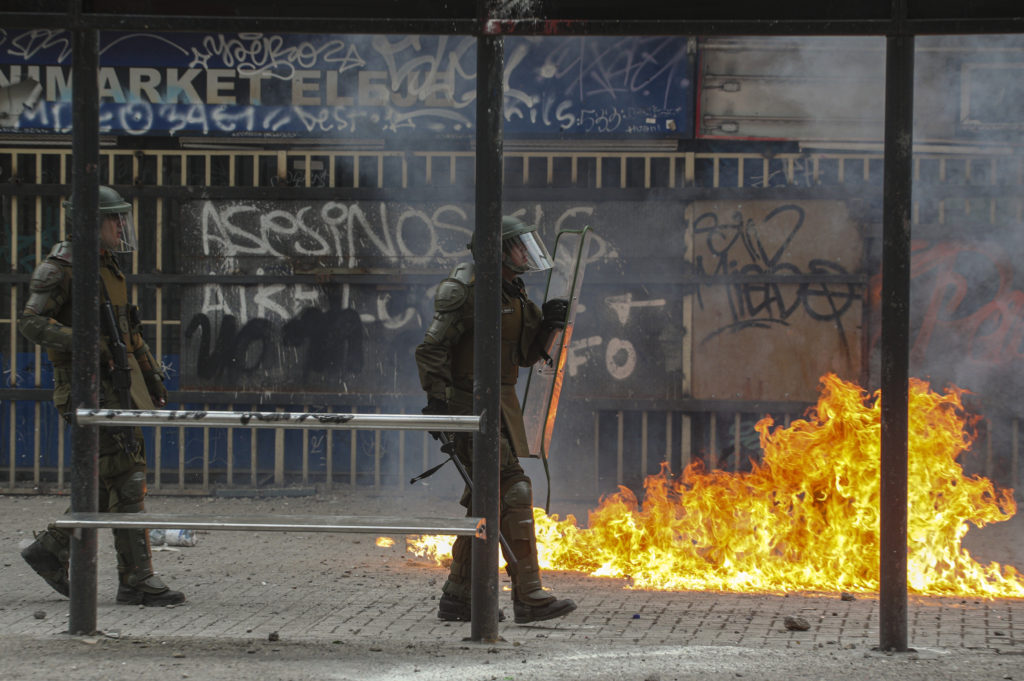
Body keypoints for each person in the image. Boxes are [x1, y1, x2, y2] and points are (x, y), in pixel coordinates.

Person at [19, 186, 185, 607]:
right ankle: (134, 578)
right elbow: (32, 323)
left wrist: (150, 375)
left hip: (117, 385)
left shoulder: (108, 267)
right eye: (114, 219)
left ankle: (55, 549)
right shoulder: (61, 268)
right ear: (91, 222)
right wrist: (86, 341)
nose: (120, 227)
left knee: (110, 480)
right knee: (126, 478)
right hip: (82, 386)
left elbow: (129, 332)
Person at [415, 215, 576, 624]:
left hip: (502, 407)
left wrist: (550, 327)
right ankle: (529, 595)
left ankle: (459, 595)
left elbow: (522, 356)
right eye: (517, 246)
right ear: (497, 251)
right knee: (514, 488)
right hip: (472, 408)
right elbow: (430, 351)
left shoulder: (514, 291)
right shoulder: (465, 290)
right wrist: (442, 406)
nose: (525, 253)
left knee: (485, 499)